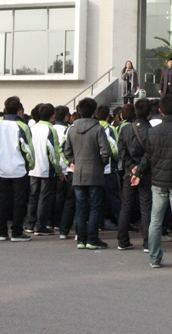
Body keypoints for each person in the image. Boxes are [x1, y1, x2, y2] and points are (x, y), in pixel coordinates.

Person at [134, 93, 172, 269]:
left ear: (160, 110)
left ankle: (154, 258)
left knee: (155, 221)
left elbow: (148, 156)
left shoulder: (152, 131)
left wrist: (139, 172)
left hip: (158, 180)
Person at [63, 98, 111, 250]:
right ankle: (92, 238)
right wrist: (101, 163)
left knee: (80, 207)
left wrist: (74, 162)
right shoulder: (98, 129)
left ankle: (81, 239)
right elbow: (106, 151)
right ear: (94, 112)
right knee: (95, 206)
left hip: (78, 173)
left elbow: (67, 151)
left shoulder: (71, 129)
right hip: (95, 172)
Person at [0, 96, 35, 242]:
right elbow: (28, 149)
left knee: (3, 201)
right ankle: (17, 232)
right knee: (18, 202)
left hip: (3, 169)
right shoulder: (22, 126)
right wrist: (30, 165)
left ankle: (2, 232)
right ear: (19, 110)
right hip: (19, 169)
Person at [117, 100, 152, 251]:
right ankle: (147, 242)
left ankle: (123, 241)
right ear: (149, 113)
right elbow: (150, 153)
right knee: (146, 208)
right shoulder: (150, 130)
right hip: (146, 174)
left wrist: (132, 168)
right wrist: (139, 170)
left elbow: (121, 152)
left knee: (126, 207)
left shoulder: (125, 129)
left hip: (128, 173)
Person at [27, 104, 62, 236]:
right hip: (46, 168)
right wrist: (58, 169)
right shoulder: (50, 129)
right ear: (52, 115)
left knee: (33, 196)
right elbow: (53, 152)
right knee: (44, 198)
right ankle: (40, 225)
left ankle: (30, 224)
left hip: (33, 167)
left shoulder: (32, 128)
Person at [51, 105, 75, 240]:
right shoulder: (68, 130)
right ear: (66, 116)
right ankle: (60, 222)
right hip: (66, 168)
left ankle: (54, 223)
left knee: (54, 196)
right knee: (65, 197)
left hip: (53, 166)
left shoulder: (52, 128)